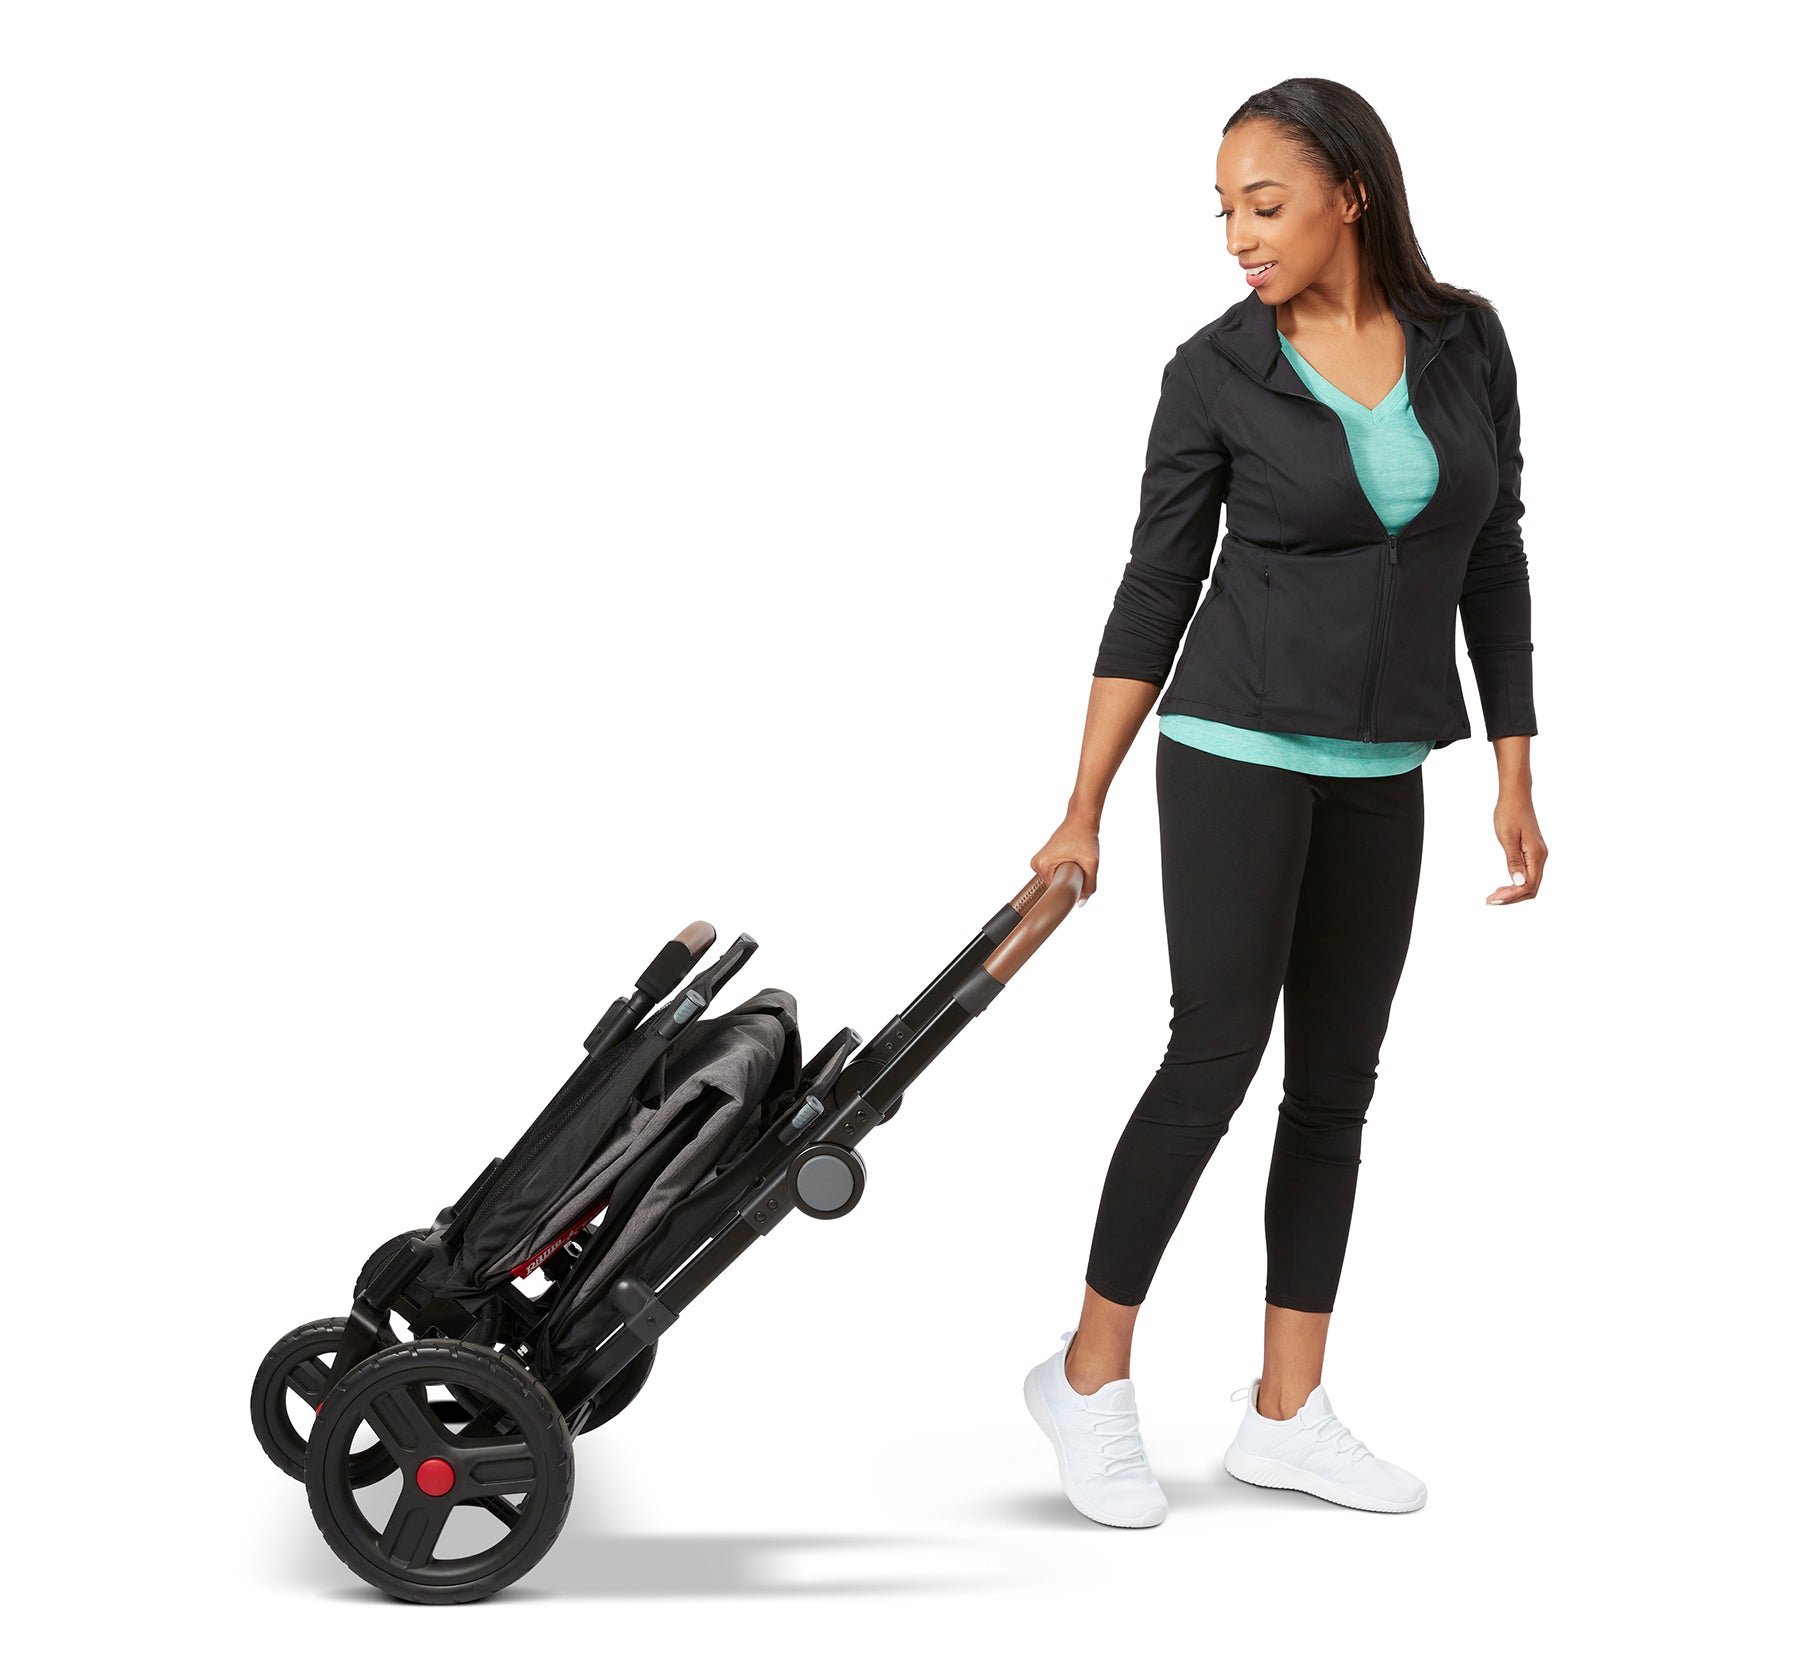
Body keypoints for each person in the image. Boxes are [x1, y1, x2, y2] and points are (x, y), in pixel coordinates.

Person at [1020, 78, 1549, 1529]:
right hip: (1234, 744)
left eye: (1264, 203)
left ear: (1349, 194)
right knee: (1214, 1057)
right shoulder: (1213, 373)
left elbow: (1494, 551)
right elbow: (1155, 586)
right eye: (1224, 212)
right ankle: (1087, 1377)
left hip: (1387, 766)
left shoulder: (1466, 341)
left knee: (1335, 1089)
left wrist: (1513, 763)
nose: (1239, 236)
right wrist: (1082, 805)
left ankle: (1286, 1413)